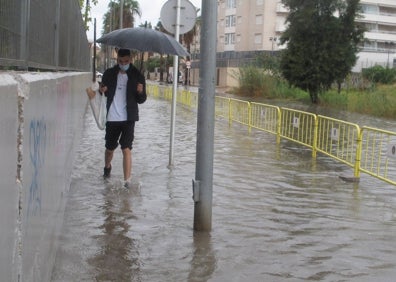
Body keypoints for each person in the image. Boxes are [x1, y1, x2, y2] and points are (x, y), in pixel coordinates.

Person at [99, 48, 147, 187]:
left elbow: (142, 99)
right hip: (112, 118)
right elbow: (103, 91)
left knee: (126, 148)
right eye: (121, 61)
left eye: (126, 61)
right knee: (109, 149)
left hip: (128, 118)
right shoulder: (109, 74)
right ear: (117, 60)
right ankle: (107, 167)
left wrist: (140, 91)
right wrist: (103, 89)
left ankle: (127, 182)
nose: (123, 63)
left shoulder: (137, 75)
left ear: (130, 60)